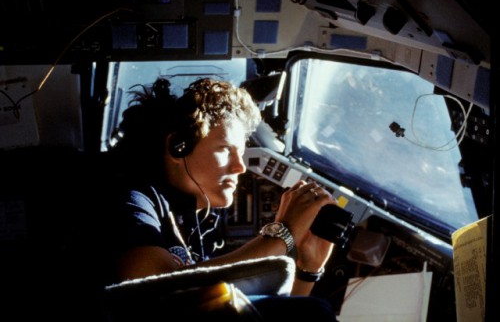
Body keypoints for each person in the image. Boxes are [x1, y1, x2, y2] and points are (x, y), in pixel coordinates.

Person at [62, 77, 338, 321]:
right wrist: (282, 235)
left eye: (241, 152)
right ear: (177, 147)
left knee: (312, 310)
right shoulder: (127, 196)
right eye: (225, 149)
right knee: (315, 314)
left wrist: (307, 268)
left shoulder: (192, 220)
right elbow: (153, 289)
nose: (240, 166)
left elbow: (218, 306)